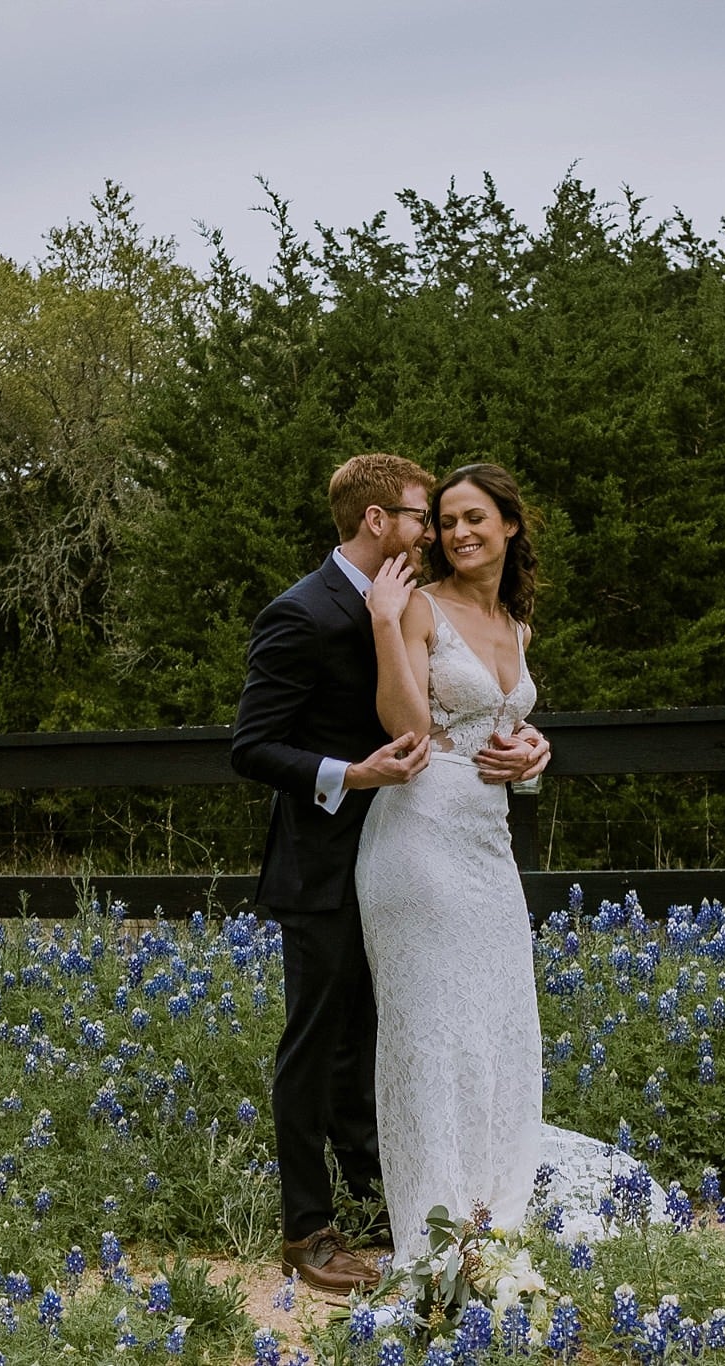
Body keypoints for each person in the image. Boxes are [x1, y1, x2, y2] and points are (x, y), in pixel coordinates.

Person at [229, 452, 438, 1294]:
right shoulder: (300, 613)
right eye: (421, 514)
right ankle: (305, 1229)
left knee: (369, 1038)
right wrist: (348, 774)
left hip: (393, 858)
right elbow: (251, 746)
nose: (430, 530)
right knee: (314, 1046)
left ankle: (379, 1201)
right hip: (320, 864)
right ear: (377, 521)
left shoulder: (405, 607)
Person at [355, 462, 554, 1264]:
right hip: (419, 835)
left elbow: (509, 734)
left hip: (488, 843)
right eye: (446, 521)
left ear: (510, 524)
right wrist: (382, 621)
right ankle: (438, 1223)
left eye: (476, 518)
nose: (459, 533)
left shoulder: (519, 626)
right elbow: (406, 728)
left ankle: (493, 1205)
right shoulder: (420, 608)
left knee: (500, 1021)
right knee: (434, 1029)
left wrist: (536, 754)